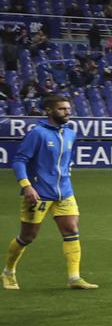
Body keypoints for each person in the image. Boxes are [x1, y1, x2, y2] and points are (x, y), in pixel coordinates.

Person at [5, 92, 94, 291]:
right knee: (28, 236)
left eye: (69, 109)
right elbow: (20, 160)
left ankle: (74, 278)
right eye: (62, 109)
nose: (67, 112)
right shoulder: (37, 133)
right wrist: (26, 186)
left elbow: (66, 161)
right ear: (49, 110)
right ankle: (8, 272)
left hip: (64, 192)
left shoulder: (70, 133)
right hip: (39, 193)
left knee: (71, 230)